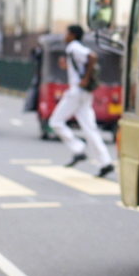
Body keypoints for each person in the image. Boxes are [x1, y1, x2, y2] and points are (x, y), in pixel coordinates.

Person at [48, 24, 114, 178]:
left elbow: (92, 56)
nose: (64, 35)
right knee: (89, 128)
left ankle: (78, 149)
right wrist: (68, 67)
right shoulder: (72, 48)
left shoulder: (73, 47)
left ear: (72, 35)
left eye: (66, 33)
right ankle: (105, 162)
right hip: (84, 93)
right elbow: (81, 64)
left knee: (55, 122)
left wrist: (84, 79)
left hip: (76, 92)